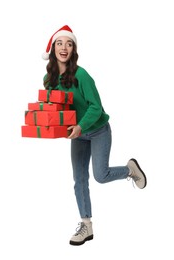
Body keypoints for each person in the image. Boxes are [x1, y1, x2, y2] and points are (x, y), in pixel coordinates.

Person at [42, 25, 147, 246]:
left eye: (69, 44)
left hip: (98, 129)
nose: (64, 47)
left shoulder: (82, 75)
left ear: (73, 50)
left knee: (101, 175)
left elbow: (96, 108)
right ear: (53, 49)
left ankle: (130, 169)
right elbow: (55, 107)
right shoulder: (48, 79)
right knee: (79, 179)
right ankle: (86, 224)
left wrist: (80, 126)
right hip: (77, 135)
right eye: (59, 43)